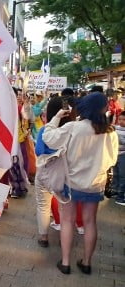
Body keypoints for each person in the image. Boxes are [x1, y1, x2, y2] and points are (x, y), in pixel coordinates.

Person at [43, 92, 118, 275]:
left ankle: (66, 262)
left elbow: (48, 138)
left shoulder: (74, 127)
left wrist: (56, 118)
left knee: (67, 220)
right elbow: (112, 160)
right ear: (103, 108)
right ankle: (86, 262)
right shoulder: (110, 132)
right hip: (95, 183)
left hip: (72, 182)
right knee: (90, 222)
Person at [35, 96, 75, 247]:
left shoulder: (45, 130)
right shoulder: (73, 130)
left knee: (42, 205)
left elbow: (39, 151)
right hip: (65, 175)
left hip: (45, 173)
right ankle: (65, 237)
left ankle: (43, 237)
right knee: (64, 207)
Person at [112, 112, 125, 206]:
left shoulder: (115, 130)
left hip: (122, 155)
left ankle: (119, 194)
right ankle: (118, 195)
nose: (121, 121)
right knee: (117, 174)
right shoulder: (114, 128)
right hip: (115, 154)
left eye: (124, 120)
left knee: (121, 175)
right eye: (120, 119)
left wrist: (117, 137)